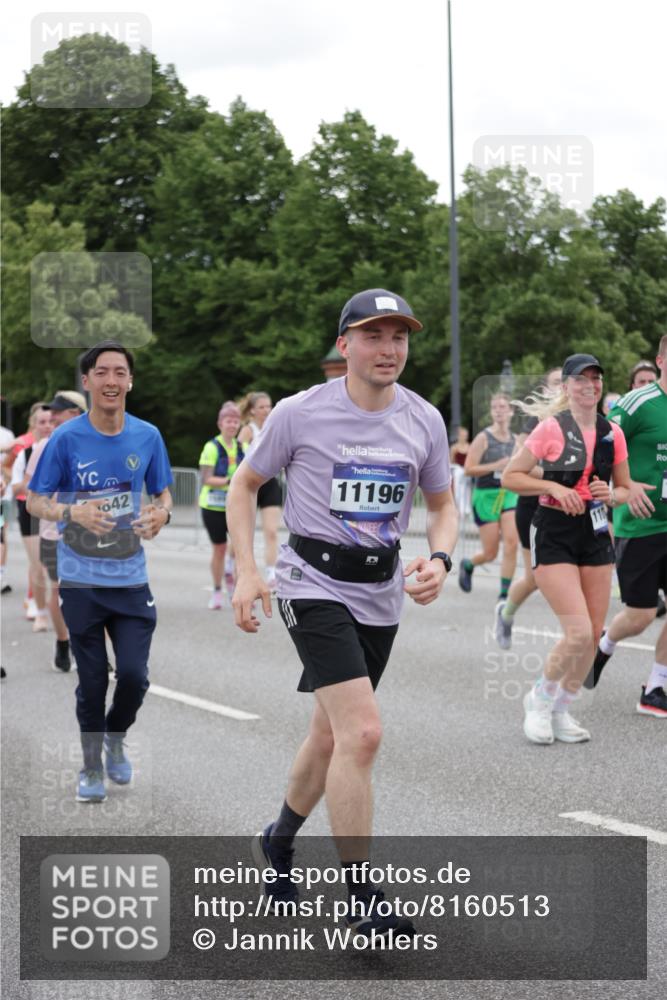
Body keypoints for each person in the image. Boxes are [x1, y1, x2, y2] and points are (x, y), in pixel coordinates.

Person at [227, 288, 457, 939]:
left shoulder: (423, 420)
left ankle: (276, 839)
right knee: (362, 734)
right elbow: (245, 486)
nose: (388, 349)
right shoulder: (300, 414)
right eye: (373, 336)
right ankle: (360, 893)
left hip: (380, 591)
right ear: (344, 343)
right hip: (310, 582)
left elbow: (441, 505)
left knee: (328, 737)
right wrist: (248, 570)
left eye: (399, 337)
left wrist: (438, 559)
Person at [27, 340, 173, 803]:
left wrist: (161, 515)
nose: (112, 381)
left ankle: (115, 736)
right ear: (87, 382)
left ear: (130, 381)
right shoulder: (65, 440)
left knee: (133, 676)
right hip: (81, 578)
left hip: (130, 579)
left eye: (120, 372)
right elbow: (34, 500)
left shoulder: (147, 435)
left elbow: (163, 495)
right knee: (91, 682)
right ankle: (90, 767)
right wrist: (74, 513)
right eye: (102, 373)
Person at [503, 353, 631, 744]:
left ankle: (562, 708)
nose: (590, 385)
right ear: (567, 387)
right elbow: (511, 476)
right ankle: (538, 700)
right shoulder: (550, 429)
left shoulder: (613, 433)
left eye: (596, 378)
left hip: (592, 532)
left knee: (593, 634)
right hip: (554, 530)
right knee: (577, 632)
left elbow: (624, 489)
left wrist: (610, 494)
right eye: (581, 379)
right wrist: (553, 486)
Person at [585, 335, 667, 716]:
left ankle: (656, 687)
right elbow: (601, 444)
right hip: (642, 526)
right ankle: (603, 647)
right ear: (660, 361)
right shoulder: (637, 404)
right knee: (640, 615)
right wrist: (623, 485)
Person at [495, 367, 562, 649]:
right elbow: (517, 465)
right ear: (546, 390)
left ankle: (584, 634)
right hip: (534, 507)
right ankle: (506, 612)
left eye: (566, 382)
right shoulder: (534, 420)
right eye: (556, 382)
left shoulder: (586, 420)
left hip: (570, 508)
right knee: (534, 578)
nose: (562, 387)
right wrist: (555, 479)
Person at [25, 392, 87, 671]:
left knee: (98, 591)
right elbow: (31, 490)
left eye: (58, 414)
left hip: (90, 532)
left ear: (75, 413)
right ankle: (63, 642)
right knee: (60, 590)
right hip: (54, 532)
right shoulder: (44, 447)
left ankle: (96, 649)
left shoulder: (95, 443)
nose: (52, 420)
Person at [459, 393, 519, 601]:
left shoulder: (517, 440)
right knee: (491, 553)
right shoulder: (483, 438)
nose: (499, 410)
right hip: (486, 496)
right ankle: (468, 564)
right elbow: (468, 469)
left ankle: (504, 595)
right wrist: (495, 466)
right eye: (495, 407)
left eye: (503, 407)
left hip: (509, 493)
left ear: (511, 411)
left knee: (512, 543)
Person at [10, 403, 53, 630]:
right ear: (34, 425)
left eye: (50, 422)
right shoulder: (26, 453)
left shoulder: (61, 448)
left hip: (56, 512)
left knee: (60, 566)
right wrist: (34, 483)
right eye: (42, 422)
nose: (47, 426)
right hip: (30, 511)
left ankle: (61, 608)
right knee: (38, 564)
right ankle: (40, 611)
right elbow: (16, 487)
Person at [198, 402, 245, 609]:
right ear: (220, 424)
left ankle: (236, 588)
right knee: (220, 548)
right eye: (228, 420)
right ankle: (217, 591)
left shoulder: (243, 447)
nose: (232, 424)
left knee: (240, 549)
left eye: (236, 421)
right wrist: (231, 481)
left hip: (235, 506)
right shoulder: (211, 447)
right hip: (213, 506)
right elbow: (206, 478)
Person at [238, 392, 283, 592]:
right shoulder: (248, 430)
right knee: (242, 533)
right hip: (250, 484)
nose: (267, 410)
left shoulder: (275, 428)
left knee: (272, 531)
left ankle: (272, 575)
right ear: (253, 410)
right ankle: (234, 568)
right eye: (262, 407)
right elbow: (239, 457)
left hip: (271, 483)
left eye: (269, 406)